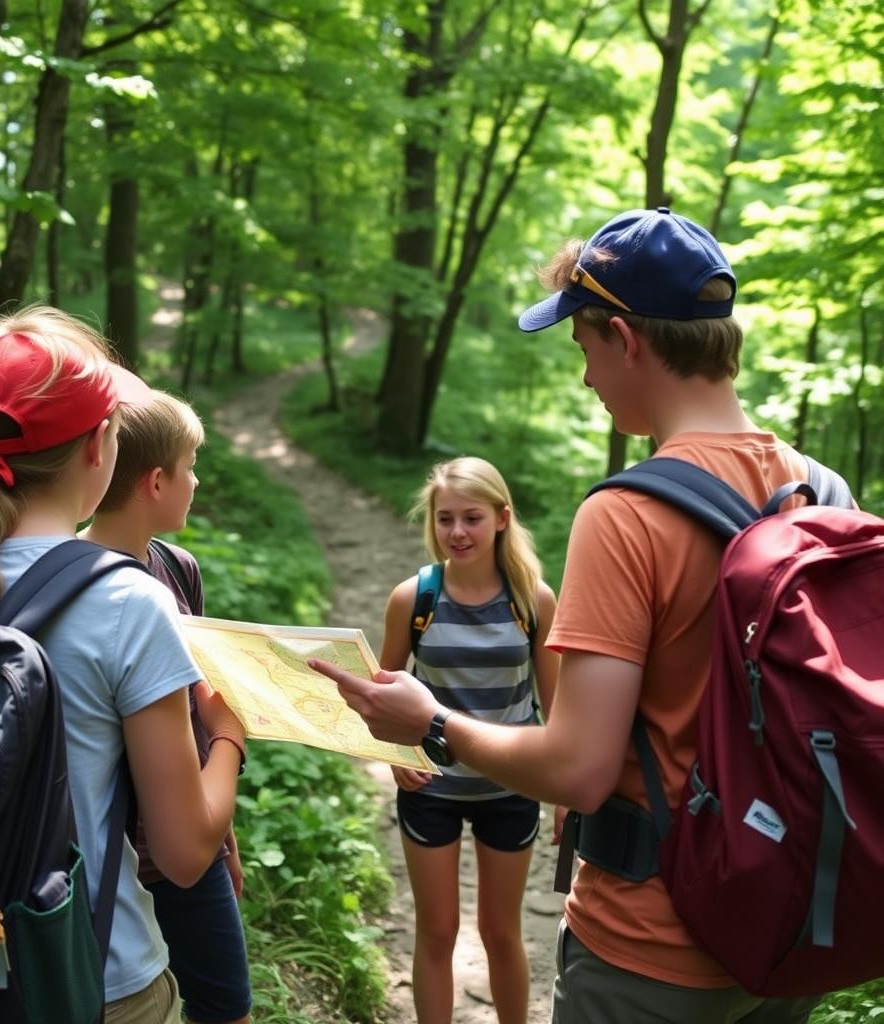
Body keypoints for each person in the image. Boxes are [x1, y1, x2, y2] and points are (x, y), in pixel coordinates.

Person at [310, 208, 822, 1023]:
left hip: (653, 946)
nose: (587, 378)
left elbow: (579, 770)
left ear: (624, 338)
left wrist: (431, 722)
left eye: (584, 348)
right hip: (788, 927)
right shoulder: (820, 492)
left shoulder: (628, 514)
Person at [0, 306, 246, 1023]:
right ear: (100, 446)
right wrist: (228, 735)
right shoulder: (128, 601)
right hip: (90, 977)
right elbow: (186, 852)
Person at [82, 390, 252, 1024]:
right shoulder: (80, 583)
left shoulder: (176, 569)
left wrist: (223, 834)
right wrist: (233, 733)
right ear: (156, 482)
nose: (197, 481)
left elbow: (192, 716)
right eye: (191, 466)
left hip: (188, 841)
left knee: (225, 1006)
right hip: (118, 856)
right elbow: (214, 721)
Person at [381, 456, 558, 1024]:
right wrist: (393, 755)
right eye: (445, 519)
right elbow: (382, 695)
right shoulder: (414, 599)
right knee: (437, 932)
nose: (457, 532)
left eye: (472, 518)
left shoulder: (534, 600)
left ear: (502, 518)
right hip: (431, 787)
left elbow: (556, 708)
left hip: (511, 786)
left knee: (501, 933)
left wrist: (564, 796)